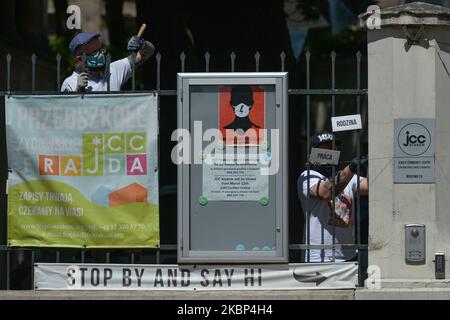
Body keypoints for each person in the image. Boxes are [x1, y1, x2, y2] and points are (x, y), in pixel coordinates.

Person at [297, 131, 368, 263]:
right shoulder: (308, 176)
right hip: (319, 258)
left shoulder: (347, 178)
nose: (329, 155)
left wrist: (370, 162)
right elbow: (326, 193)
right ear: (312, 156)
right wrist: (352, 168)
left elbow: (369, 187)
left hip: (348, 256)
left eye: (332, 150)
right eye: (324, 151)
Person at [61, 31, 155, 92]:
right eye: (94, 52)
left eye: (100, 49)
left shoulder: (114, 70)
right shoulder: (69, 83)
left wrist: (142, 44)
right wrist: (77, 92)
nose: (100, 54)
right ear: (79, 58)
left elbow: (147, 53)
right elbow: (66, 114)